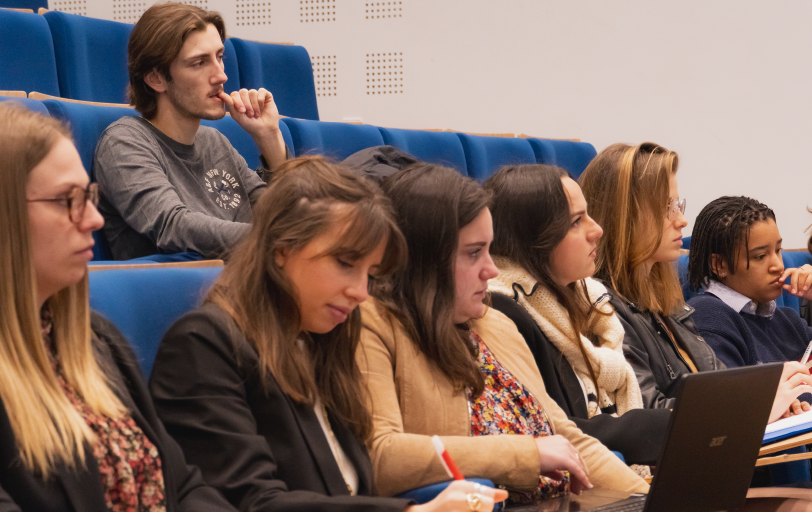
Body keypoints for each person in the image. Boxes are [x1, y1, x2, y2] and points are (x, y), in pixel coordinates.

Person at [149, 156, 505, 512]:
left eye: (370, 273)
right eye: (345, 264)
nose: (361, 292)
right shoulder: (203, 346)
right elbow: (251, 503)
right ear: (282, 249)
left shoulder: (324, 340)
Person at [357, 163, 649, 504]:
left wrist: (649, 498)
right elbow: (381, 456)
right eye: (473, 253)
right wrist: (526, 454)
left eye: (489, 249)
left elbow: (568, 438)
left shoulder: (496, 324)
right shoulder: (371, 324)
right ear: (424, 259)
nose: (492, 269)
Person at [0, 102, 238, 511]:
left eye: (89, 196)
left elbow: (183, 485)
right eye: (66, 200)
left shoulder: (97, 342)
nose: (94, 219)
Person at [578, 142, 812, 418]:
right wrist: (756, 402)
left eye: (679, 206)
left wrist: (772, 393)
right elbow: (643, 414)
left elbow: (720, 386)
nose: (682, 221)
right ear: (624, 216)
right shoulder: (604, 310)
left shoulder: (670, 307)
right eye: (667, 208)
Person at [483, 164, 671, 467]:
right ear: (532, 238)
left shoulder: (589, 299)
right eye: (575, 222)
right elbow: (551, 428)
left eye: (589, 215)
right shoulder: (505, 311)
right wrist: (672, 424)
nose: (596, 230)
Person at [95, 1, 288, 261]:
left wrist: (269, 138)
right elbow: (173, 226)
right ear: (156, 79)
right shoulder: (123, 142)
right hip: (185, 297)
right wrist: (280, 241)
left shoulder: (214, 141)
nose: (221, 76)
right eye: (199, 63)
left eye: (219, 57)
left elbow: (282, 214)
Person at [686, 196, 812, 368]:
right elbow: (735, 393)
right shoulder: (709, 317)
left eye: (777, 250)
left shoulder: (788, 321)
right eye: (760, 257)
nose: (778, 265)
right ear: (719, 265)